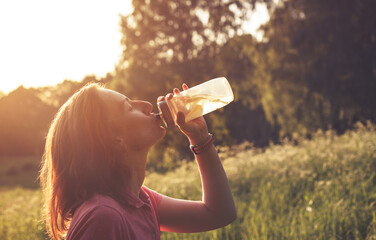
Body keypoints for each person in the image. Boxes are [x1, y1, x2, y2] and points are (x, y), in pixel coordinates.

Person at [39, 83, 237, 240]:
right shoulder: (103, 216)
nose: (147, 105)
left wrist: (200, 138)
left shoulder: (140, 200)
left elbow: (219, 213)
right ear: (114, 140)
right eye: (129, 107)